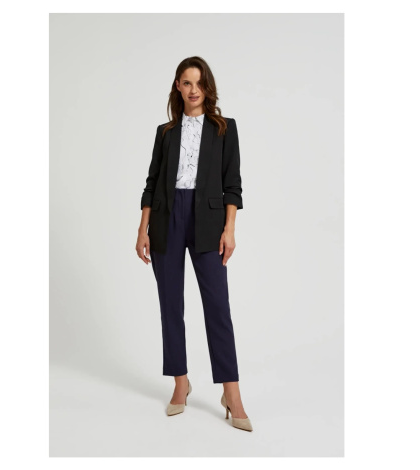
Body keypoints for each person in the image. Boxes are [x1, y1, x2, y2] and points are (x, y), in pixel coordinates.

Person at [135, 56, 252, 432]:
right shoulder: (165, 132)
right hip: (166, 220)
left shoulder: (224, 128)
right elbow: (152, 182)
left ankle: (231, 393)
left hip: (208, 222)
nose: (193, 89)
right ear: (178, 86)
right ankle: (180, 383)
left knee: (218, 307)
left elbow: (232, 183)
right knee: (171, 305)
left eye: (199, 83)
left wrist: (229, 229)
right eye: (186, 82)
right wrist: (143, 229)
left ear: (207, 87)